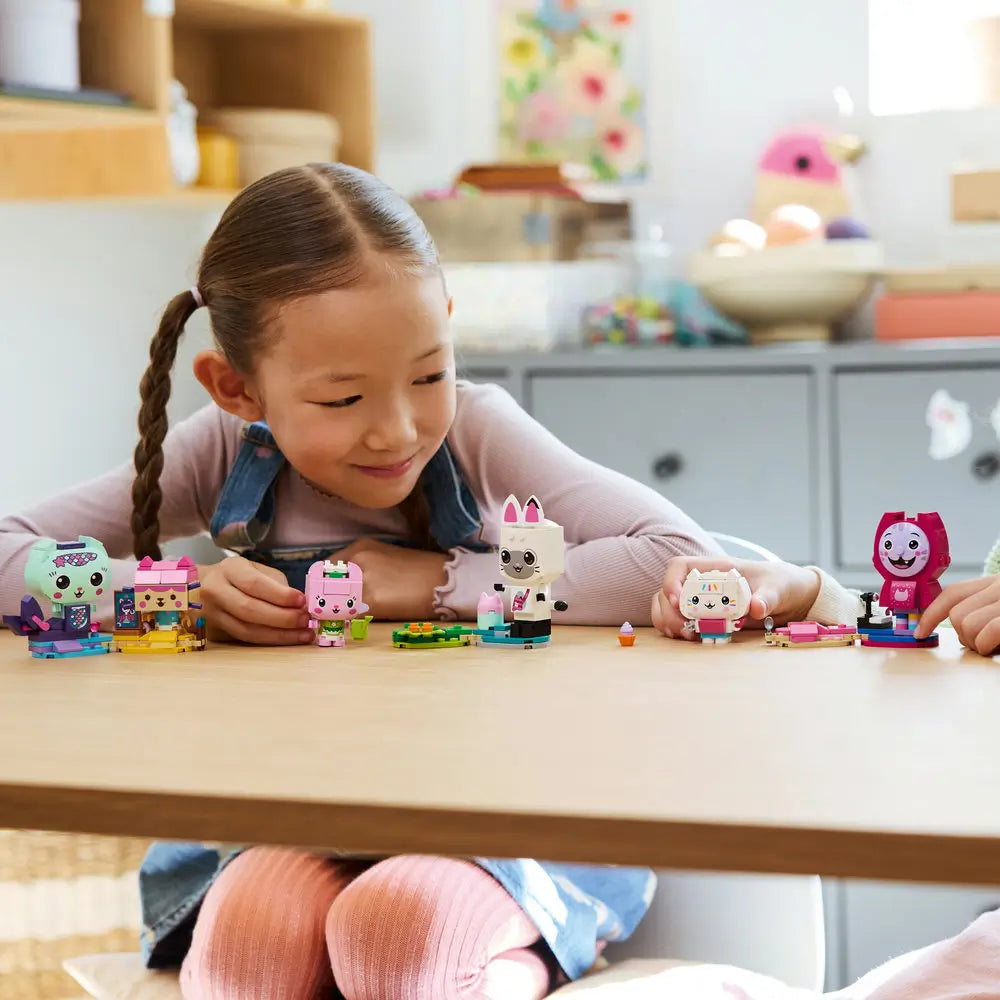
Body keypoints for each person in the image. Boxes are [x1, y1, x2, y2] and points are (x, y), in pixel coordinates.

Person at [0, 162, 857, 999]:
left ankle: (516, 965)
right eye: (343, 401)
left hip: (500, 817)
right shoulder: (222, 456)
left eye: (428, 374)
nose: (399, 430)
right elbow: (9, 550)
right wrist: (170, 594)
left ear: (448, 323)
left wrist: (439, 582)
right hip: (294, 812)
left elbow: (676, 554)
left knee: (400, 933)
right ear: (237, 388)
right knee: (246, 948)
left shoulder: (479, 434)